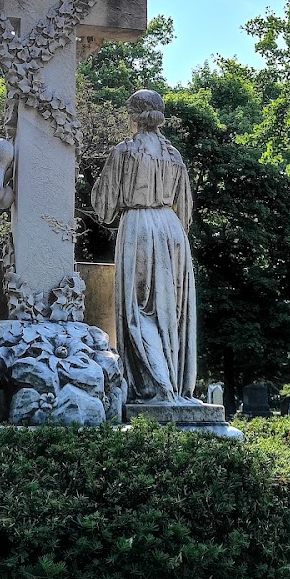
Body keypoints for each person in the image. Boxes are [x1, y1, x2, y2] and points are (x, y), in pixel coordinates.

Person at [91, 89, 197, 404]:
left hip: (139, 227)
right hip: (172, 230)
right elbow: (186, 208)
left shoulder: (124, 152)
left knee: (140, 310)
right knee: (171, 313)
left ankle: (156, 388)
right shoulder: (173, 154)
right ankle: (174, 387)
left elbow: (104, 207)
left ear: (134, 115)